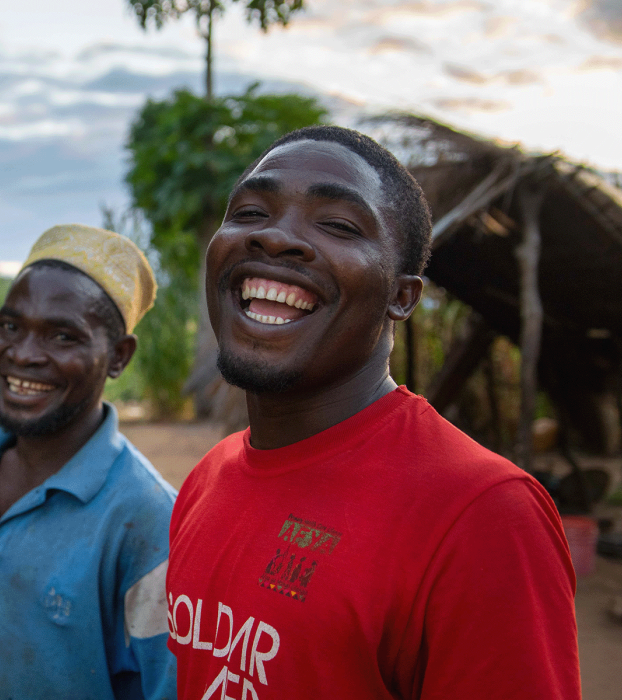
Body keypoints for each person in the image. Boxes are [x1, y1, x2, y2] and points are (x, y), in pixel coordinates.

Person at [165, 125, 580, 700]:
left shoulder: (481, 514)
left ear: (402, 296)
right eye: (251, 212)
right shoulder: (207, 481)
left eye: (337, 225)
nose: (277, 238)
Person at [0, 224, 178, 699]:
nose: (22, 355)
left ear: (118, 357)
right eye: (10, 327)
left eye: (62, 337)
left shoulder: (147, 518)